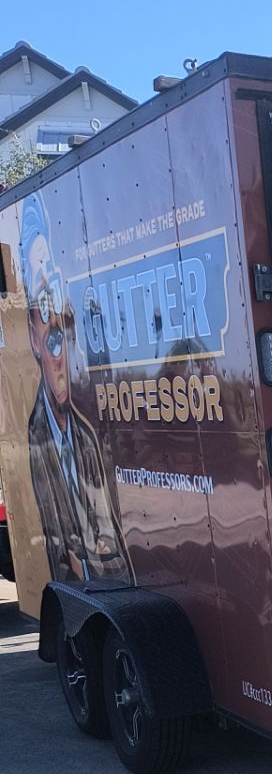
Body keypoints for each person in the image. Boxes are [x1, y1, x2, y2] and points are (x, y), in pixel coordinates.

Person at [20, 193, 130, 583]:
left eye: (53, 289)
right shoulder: (38, 435)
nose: (57, 343)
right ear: (33, 334)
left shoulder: (88, 428)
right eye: (40, 305)